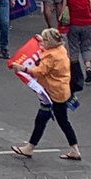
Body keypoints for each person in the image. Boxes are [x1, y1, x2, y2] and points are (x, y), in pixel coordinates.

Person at [10, 28, 81, 161]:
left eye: (45, 40)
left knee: (42, 120)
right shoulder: (60, 50)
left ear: (51, 42)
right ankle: (74, 149)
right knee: (62, 121)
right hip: (61, 92)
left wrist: (22, 68)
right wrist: (39, 41)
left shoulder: (51, 56)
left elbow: (38, 71)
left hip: (52, 94)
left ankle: (29, 148)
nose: (42, 42)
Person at [64, 0, 91, 85]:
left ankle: (76, 75)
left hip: (73, 24)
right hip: (87, 24)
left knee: (73, 48)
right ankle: (88, 68)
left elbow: (63, 11)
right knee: (86, 48)